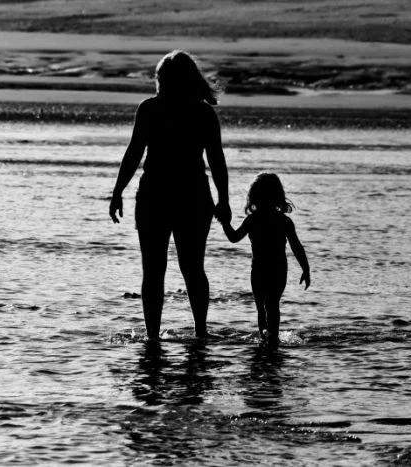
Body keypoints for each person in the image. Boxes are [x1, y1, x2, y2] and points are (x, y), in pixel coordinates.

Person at [109, 50, 231, 341]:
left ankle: (156, 336)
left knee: (159, 270)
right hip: (189, 196)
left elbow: (135, 152)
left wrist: (118, 191)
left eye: (162, 78)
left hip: (160, 196)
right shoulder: (201, 113)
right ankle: (196, 333)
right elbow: (216, 160)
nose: (160, 83)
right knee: (189, 268)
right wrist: (223, 200)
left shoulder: (153, 109)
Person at [219, 173, 310, 346]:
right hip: (269, 269)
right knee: (267, 305)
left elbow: (234, 237)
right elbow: (297, 247)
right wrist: (305, 269)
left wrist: (225, 223)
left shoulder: (262, 220)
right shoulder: (277, 221)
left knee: (267, 305)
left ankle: (270, 338)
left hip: (267, 269)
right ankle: (269, 339)